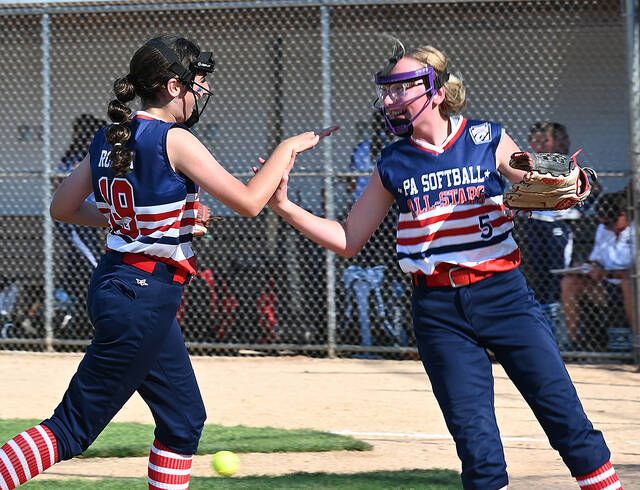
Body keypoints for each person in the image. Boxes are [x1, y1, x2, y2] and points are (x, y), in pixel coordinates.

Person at [258, 43, 621, 489]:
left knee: (564, 416)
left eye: (399, 89)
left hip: (503, 294)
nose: (389, 99)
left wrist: (568, 180)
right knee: (476, 444)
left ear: (432, 90)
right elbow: (350, 239)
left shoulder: (484, 137)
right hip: (438, 309)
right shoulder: (393, 160)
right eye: (386, 91)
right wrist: (285, 207)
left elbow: (541, 180)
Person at [0, 34, 321, 490]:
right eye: (198, 82)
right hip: (141, 298)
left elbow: (64, 208)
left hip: (123, 284)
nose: (202, 91)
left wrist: (160, 221)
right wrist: (286, 148)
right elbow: (250, 202)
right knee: (71, 428)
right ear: (173, 86)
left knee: (184, 420)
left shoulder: (111, 134)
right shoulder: (175, 138)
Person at [343, 111, 408, 352]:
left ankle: (373, 331)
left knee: (369, 266)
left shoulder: (366, 148)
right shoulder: (397, 147)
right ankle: (392, 330)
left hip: (367, 213)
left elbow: (352, 185)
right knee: (389, 270)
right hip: (391, 213)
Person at [516, 122, 574, 345]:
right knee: (535, 281)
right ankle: (542, 332)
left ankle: (561, 336)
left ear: (559, 143)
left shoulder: (567, 165)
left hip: (559, 226)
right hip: (533, 226)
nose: (540, 146)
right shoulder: (526, 167)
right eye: (536, 142)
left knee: (556, 279)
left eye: (545, 141)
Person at [560, 190, 635, 350]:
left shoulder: (636, 231)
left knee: (628, 283)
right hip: (606, 285)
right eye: (603, 223)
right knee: (570, 281)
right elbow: (597, 259)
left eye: (609, 223)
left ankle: (638, 342)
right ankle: (574, 342)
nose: (606, 227)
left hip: (633, 288)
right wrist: (587, 267)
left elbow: (633, 271)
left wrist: (608, 273)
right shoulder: (603, 228)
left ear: (623, 216)